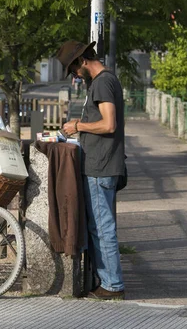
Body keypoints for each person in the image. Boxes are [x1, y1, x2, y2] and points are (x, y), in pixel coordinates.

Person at [57, 40, 126, 300]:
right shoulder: (103, 81)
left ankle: (112, 285)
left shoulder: (102, 82)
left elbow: (109, 124)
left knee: (102, 226)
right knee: (100, 225)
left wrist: (78, 126)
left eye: (73, 69)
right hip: (101, 163)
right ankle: (108, 281)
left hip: (100, 166)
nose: (74, 74)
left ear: (82, 61)